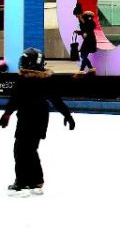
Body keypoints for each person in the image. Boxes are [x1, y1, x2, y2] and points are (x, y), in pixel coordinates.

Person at [0, 48, 75, 197]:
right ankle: (36, 182)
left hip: (28, 118)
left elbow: (15, 99)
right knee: (30, 149)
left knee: (21, 150)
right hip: (40, 118)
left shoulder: (23, 80)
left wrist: (7, 114)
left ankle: (21, 183)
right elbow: (56, 100)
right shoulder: (45, 80)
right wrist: (67, 115)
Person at [72, 2, 97, 76]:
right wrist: (78, 32)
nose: (76, 17)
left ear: (80, 13)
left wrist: (86, 32)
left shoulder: (87, 17)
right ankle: (90, 68)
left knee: (83, 55)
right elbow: (83, 31)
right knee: (83, 55)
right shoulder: (80, 21)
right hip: (86, 40)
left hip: (91, 39)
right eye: (76, 15)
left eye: (77, 15)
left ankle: (81, 70)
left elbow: (93, 25)